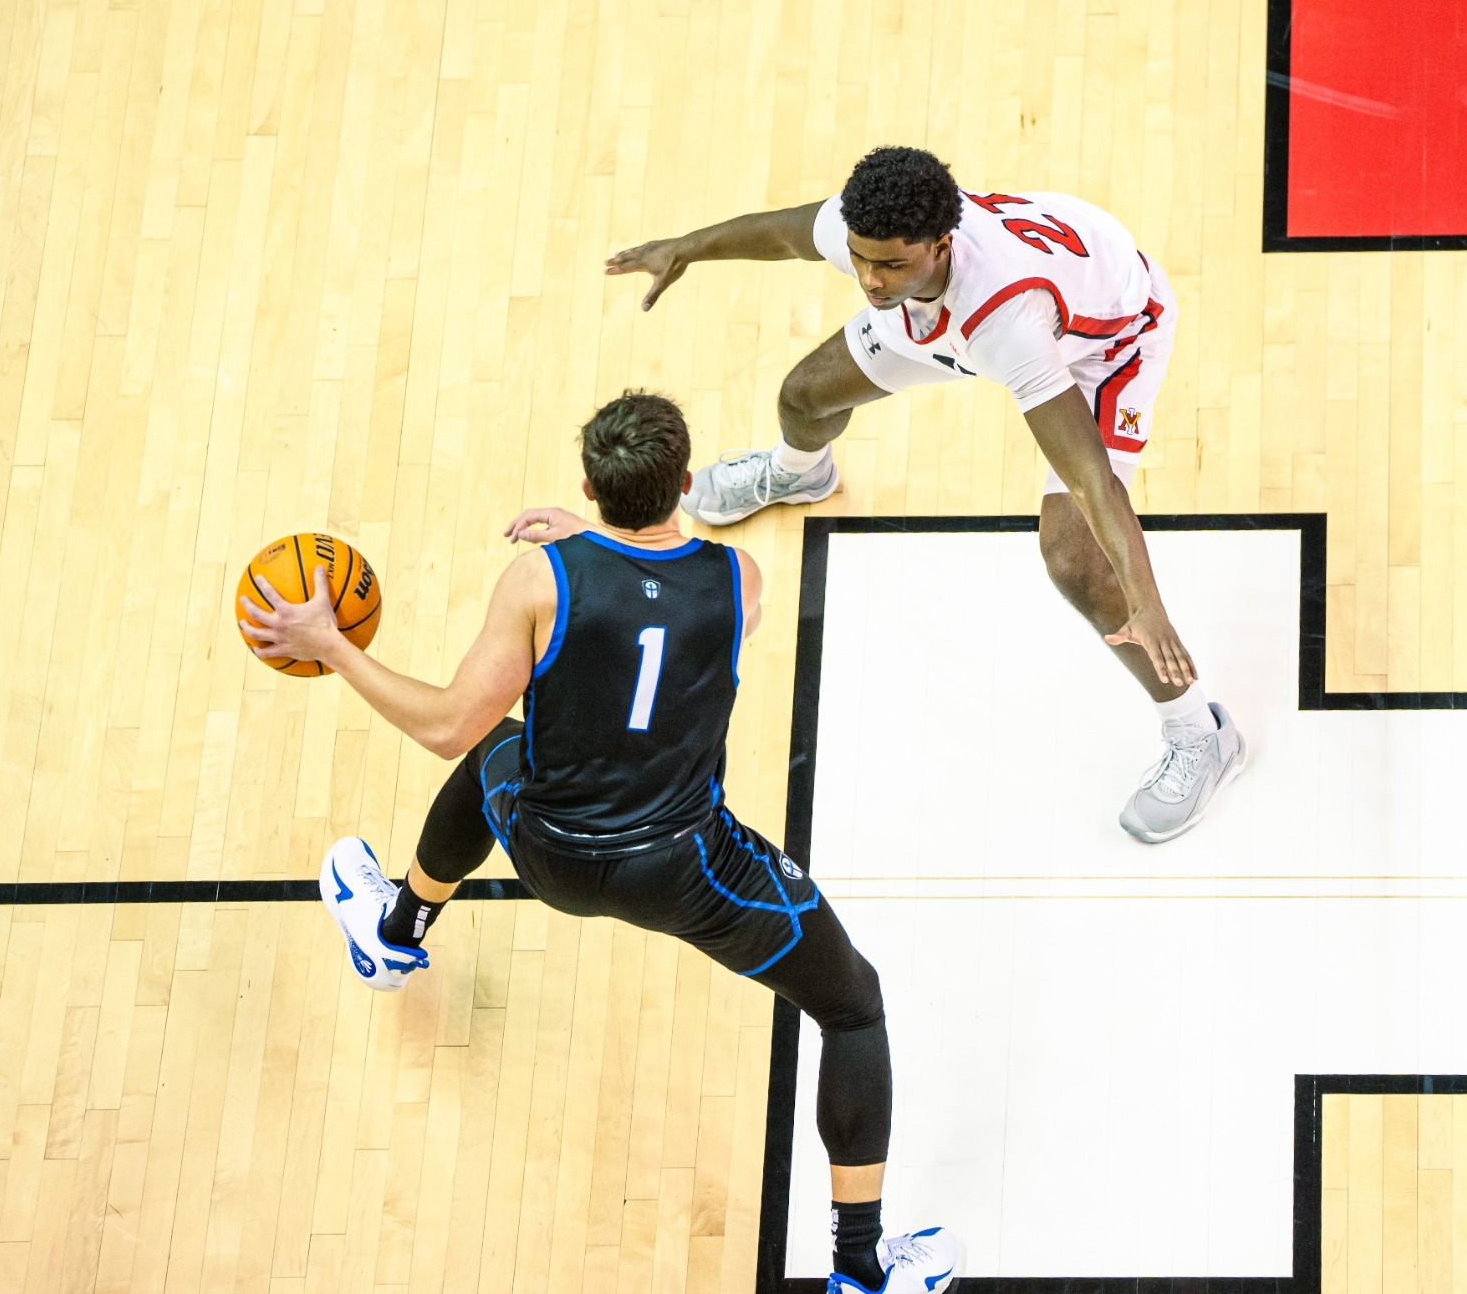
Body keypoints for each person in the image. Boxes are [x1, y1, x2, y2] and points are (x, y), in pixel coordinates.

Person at [240, 391, 959, 1294]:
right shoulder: (739, 580)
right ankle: (859, 1268)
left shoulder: (540, 581)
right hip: (689, 870)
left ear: (589, 485)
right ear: (686, 483)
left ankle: (396, 931)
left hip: (552, 853)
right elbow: (661, 599)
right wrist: (607, 542)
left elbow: (448, 725)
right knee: (852, 1005)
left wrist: (330, 643)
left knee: (494, 750)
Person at [605, 146, 1246, 843]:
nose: (869, 281)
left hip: (1110, 336)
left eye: (888, 265)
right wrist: (685, 248)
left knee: (1075, 559)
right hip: (978, 296)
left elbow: (1094, 482)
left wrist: (1147, 604)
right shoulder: (877, 236)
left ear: (941, 244)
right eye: (860, 259)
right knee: (804, 396)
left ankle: (1200, 733)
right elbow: (785, 235)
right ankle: (799, 473)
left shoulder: (1007, 323)